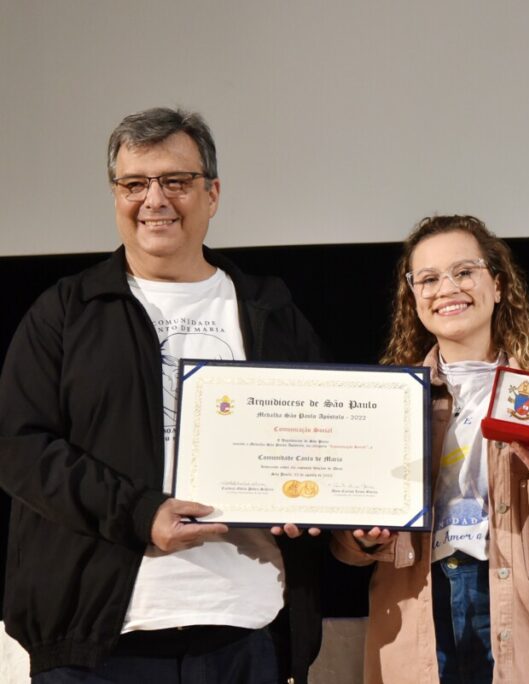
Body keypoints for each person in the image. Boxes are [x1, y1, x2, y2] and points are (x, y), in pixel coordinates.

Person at [0, 107, 327, 683]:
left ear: (212, 193)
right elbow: (19, 449)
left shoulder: (271, 312)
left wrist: (313, 502)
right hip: (98, 640)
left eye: (175, 181)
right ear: (116, 195)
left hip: (247, 628)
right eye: (134, 184)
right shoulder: (66, 312)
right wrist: (139, 512)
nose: (154, 199)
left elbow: (320, 439)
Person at [331, 215, 529, 683]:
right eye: (428, 279)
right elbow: (345, 544)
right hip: (419, 613)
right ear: (414, 299)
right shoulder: (387, 402)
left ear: (497, 285)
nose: (446, 288)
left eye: (464, 272)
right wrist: (363, 538)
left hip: (524, 615)